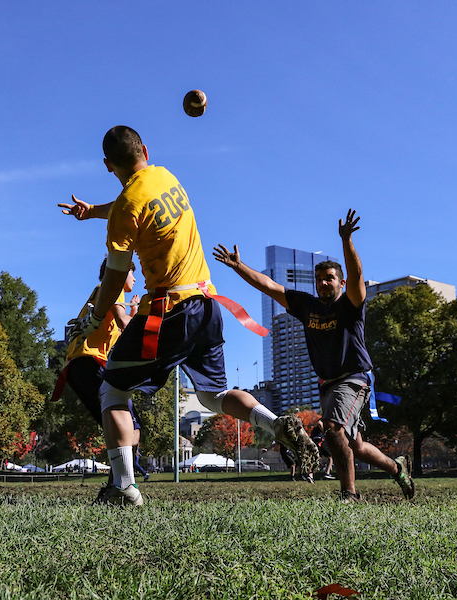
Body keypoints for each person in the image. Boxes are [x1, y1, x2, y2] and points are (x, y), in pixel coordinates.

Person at [58, 125, 322, 505]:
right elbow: (131, 205)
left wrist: (95, 316)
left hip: (170, 310)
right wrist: (93, 211)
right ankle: (275, 422)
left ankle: (124, 488)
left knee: (112, 390)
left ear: (107, 165)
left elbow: (115, 273)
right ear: (145, 150)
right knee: (214, 395)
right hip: (208, 302)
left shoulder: (125, 210)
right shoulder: (166, 176)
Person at [212, 209, 415, 502]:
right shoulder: (306, 306)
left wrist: (346, 242)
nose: (323, 283)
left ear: (340, 283)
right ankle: (397, 467)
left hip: (353, 379)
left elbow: (356, 275)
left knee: (333, 430)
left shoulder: (351, 304)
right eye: (319, 279)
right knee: (355, 446)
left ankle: (349, 495)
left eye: (330, 278)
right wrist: (239, 266)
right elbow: (268, 286)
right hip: (328, 384)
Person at [55, 259, 148, 494]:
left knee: (131, 427)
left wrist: (134, 310)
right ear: (120, 272)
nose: (135, 279)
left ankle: (117, 485)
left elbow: (122, 329)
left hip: (85, 366)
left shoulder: (111, 296)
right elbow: (125, 325)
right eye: (132, 273)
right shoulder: (111, 287)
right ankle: (118, 486)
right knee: (123, 423)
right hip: (86, 363)